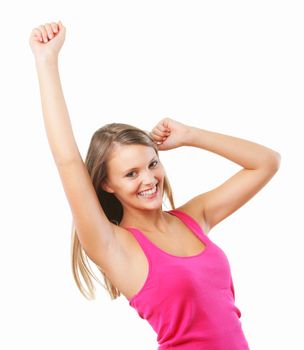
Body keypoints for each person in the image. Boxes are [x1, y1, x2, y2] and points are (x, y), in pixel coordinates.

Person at [29, 21, 281, 350]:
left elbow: (266, 162)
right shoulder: (112, 245)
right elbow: (67, 160)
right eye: (131, 174)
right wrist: (46, 61)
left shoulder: (193, 218)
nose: (148, 179)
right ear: (106, 184)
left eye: (151, 164)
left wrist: (192, 135)